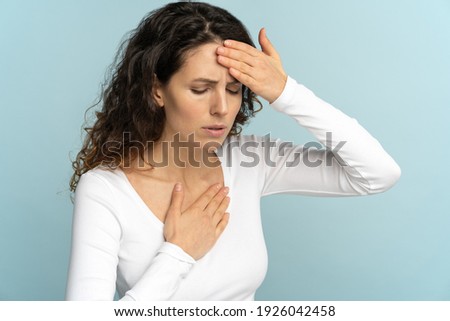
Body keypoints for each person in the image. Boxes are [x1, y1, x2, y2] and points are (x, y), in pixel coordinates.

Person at [66, 1, 401, 301]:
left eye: (233, 89)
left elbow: (378, 174)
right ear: (157, 90)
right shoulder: (105, 190)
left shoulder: (250, 160)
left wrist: (286, 93)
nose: (222, 108)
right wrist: (179, 254)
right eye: (200, 89)